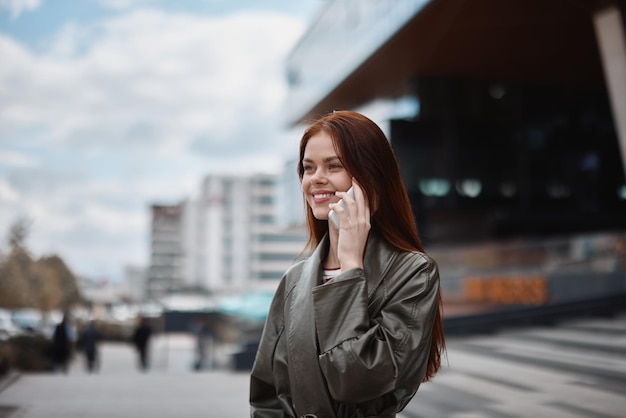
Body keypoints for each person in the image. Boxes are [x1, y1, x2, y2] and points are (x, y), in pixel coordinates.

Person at [250, 110, 446, 417]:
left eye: (334, 166)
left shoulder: (413, 273)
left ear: (372, 177)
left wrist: (351, 266)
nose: (316, 179)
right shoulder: (294, 280)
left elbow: (356, 380)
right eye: (308, 168)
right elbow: (266, 393)